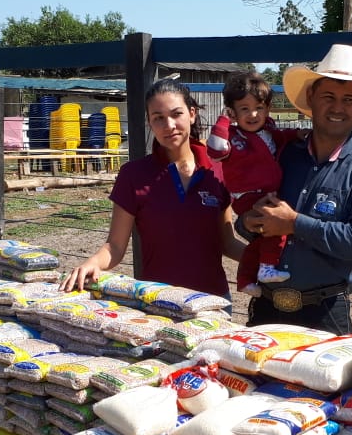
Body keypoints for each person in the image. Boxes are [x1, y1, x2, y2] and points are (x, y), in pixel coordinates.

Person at [239, 44, 352, 334]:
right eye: (328, 97)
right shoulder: (282, 154)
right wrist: (248, 222)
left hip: (325, 314)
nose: (338, 108)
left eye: (348, 99)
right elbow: (247, 215)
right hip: (265, 308)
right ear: (311, 98)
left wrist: (295, 223)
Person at [63, 78, 243, 296]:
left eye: (176, 114)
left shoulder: (218, 170)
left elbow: (228, 243)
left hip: (212, 302)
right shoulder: (133, 174)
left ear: (192, 114)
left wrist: (266, 260)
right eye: (158, 118)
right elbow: (115, 247)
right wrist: (92, 263)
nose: (169, 125)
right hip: (156, 303)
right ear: (149, 122)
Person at [206, 71, 303, 296]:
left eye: (259, 107)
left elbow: (282, 137)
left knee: (260, 240)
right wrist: (224, 120)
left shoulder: (268, 131)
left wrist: (298, 134)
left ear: (267, 108)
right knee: (276, 225)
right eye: (244, 108)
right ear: (233, 111)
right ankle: (267, 268)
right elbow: (216, 150)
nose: (252, 114)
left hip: (264, 192)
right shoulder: (232, 136)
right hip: (248, 194)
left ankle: (244, 279)